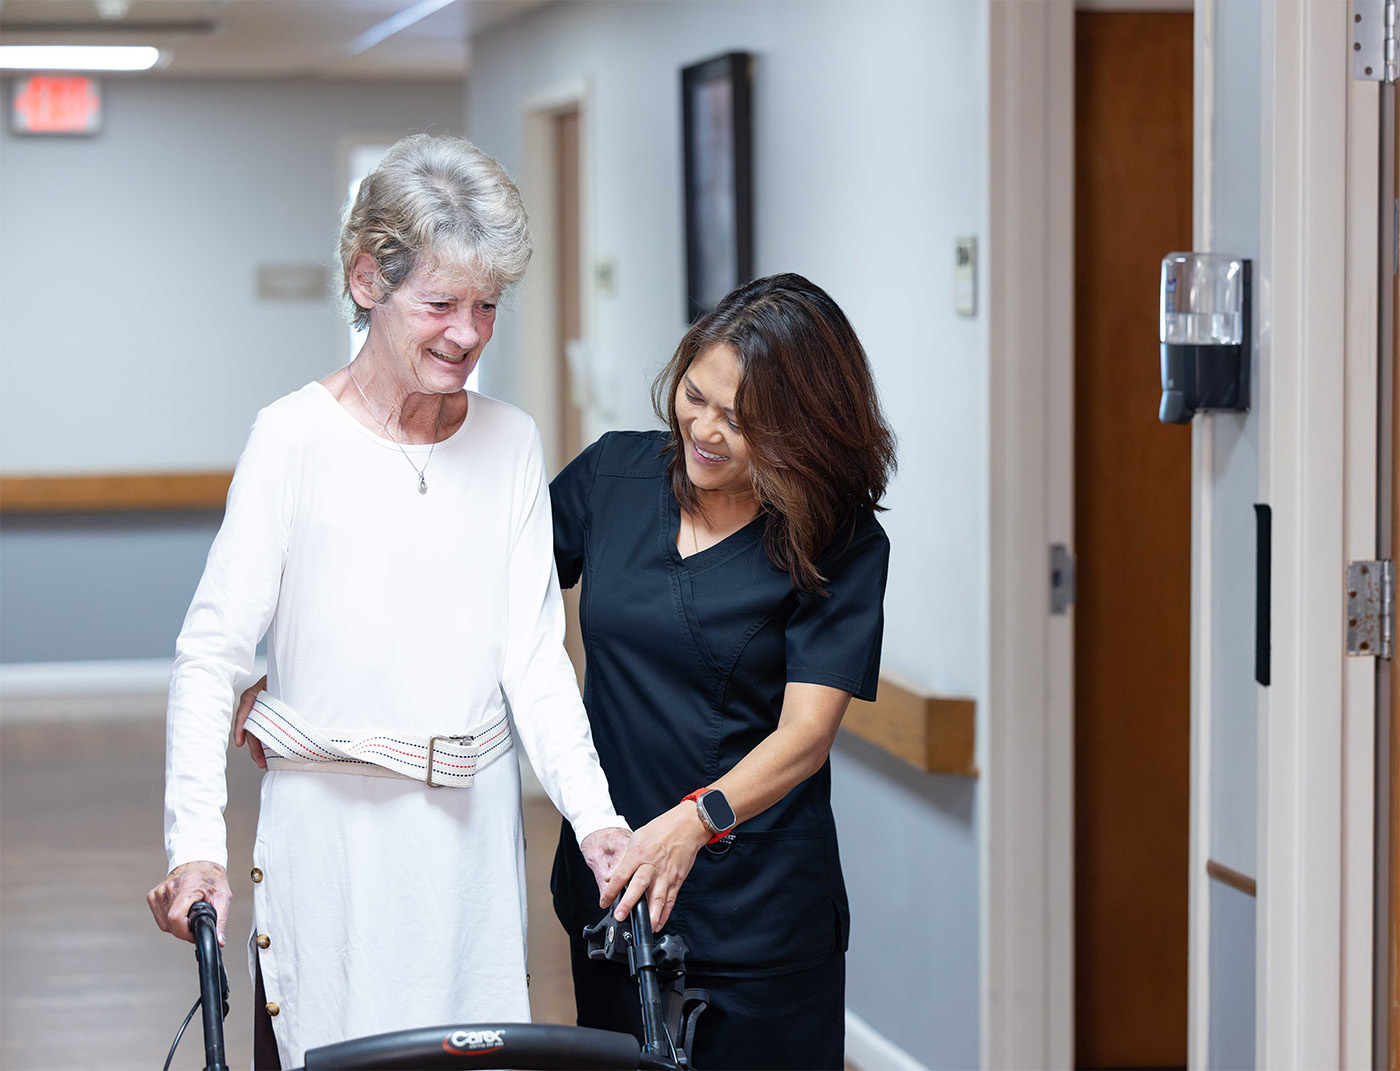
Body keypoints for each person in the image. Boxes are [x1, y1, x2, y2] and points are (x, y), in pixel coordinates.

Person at [145, 134, 643, 1069]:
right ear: (367, 279)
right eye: (442, 303)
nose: (469, 333)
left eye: (488, 304)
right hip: (329, 843)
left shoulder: (511, 441)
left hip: (467, 843)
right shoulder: (292, 438)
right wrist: (195, 847)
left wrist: (597, 819)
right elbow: (211, 656)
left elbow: (533, 660)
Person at [552, 273, 896, 1071]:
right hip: (612, 895)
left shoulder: (837, 539)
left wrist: (693, 821)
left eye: (740, 421)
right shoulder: (613, 479)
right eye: (694, 395)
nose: (704, 429)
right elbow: (485, 600)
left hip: (757, 915)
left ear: (801, 426)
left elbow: (807, 735)